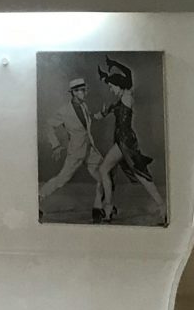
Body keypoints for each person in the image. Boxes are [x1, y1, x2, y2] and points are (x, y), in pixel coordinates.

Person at [96, 58, 159, 223]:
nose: (111, 90)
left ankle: (108, 208)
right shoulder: (121, 99)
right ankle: (109, 208)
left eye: (112, 87)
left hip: (125, 141)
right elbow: (114, 108)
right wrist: (103, 113)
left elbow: (128, 74)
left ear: (119, 86)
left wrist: (113, 64)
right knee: (135, 174)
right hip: (121, 140)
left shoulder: (127, 96)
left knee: (111, 170)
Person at [39, 77, 101, 207]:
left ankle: (99, 206)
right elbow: (49, 125)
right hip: (76, 152)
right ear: (74, 92)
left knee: (104, 175)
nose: (84, 93)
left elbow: (87, 122)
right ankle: (39, 196)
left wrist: (102, 114)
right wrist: (56, 145)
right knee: (62, 179)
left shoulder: (84, 105)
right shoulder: (64, 111)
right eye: (82, 90)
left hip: (90, 149)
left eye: (84, 90)